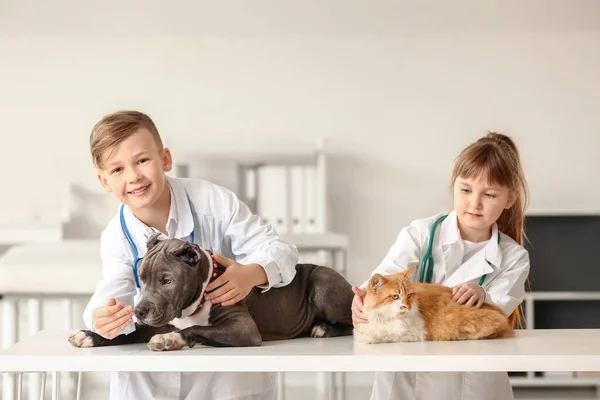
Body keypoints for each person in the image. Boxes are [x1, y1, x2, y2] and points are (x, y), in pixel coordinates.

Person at [82, 110, 299, 400]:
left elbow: (279, 250)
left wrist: (252, 273)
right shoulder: (115, 237)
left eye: (142, 160)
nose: (133, 176)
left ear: (165, 159)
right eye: (117, 169)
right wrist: (101, 318)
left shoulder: (213, 201)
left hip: (224, 379)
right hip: (148, 384)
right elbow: (112, 294)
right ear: (104, 181)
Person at [352, 132, 530, 400]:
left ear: (510, 198)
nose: (475, 203)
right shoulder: (420, 234)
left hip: (474, 383)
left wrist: (483, 295)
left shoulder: (514, 258)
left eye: (490, 194)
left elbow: (495, 311)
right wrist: (363, 300)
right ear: (453, 184)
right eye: (466, 189)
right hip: (406, 381)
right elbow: (386, 276)